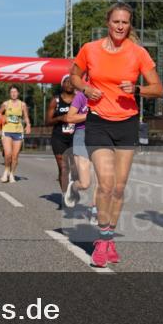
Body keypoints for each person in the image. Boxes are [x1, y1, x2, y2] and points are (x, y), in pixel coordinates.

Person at [70, 2, 163, 267]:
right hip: (98, 121)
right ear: (108, 23)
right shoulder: (90, 49)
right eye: (116, 22)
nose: (120, 26)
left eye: (125, 22)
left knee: (120, 188)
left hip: (127, 122)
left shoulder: (138, 53)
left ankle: (109, 237)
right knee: (107, 183)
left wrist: (137, 90)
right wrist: (86, 89)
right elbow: (74, 76)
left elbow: (157, 88)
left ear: (129, 24)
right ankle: (101, 239)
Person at [64, 81, 98, 222]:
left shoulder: (108, 93)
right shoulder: (81, 96)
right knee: (85, 183)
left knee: (102, 179)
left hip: (101, 135)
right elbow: (70, 117)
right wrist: (90, 115)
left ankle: (94, 210)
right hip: (82, 135)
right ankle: (74, 187)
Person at [47, 75, 77, 206]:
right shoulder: (56, 100)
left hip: (76, 137)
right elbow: (47, 121)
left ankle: (74, 190)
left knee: (75, 169)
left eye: (72, 82)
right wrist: (60, 118)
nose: (70, 84)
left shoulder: (79, 99)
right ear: (62, 84)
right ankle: (65, 196)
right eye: (66, 81)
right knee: (63, 168)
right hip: (59, 137)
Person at [0, 86, 31, 182]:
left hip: (18, 131)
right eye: (11, 92)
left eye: (15, 92)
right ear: (9, 93)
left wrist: (28, 125)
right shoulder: (6, 104)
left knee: (15, 155)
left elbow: (26, 116)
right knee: (8, 154)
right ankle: (6, 171)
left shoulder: (22, 104)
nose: (13, 93)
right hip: (7, 130)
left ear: (18, 93)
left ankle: (12, 174)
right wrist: (2, 118)